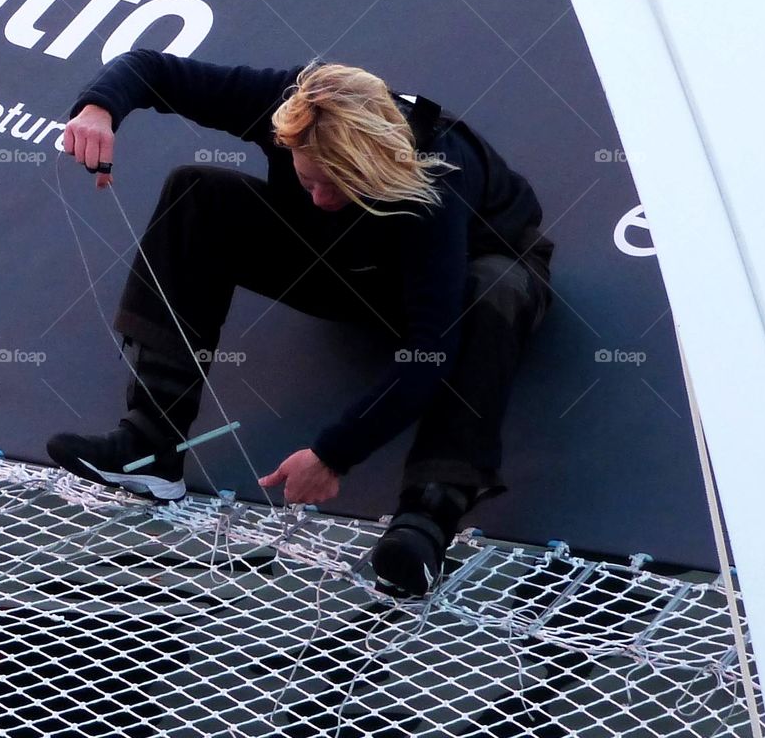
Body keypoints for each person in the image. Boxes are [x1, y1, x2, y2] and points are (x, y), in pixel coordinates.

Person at [47, 50, 553, 597]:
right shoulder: (289, 104)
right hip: (345, 264)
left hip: (456, 275)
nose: (321, 197)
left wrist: (333, 454)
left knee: (496, 289)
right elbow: (152, 69)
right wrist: (98, 109)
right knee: (196, 194)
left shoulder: (434, 183)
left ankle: (426, 523)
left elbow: (430, 351)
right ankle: (148, 446)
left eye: (341, 185)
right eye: (310, 178)